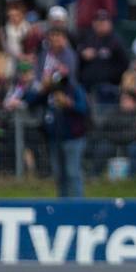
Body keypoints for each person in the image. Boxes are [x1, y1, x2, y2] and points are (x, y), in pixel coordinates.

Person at [8, 41, 90, 197]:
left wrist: (69, 104)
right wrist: (43, 90)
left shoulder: (74, 89)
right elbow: (30, 99)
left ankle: (77, 206)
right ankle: (63, 205)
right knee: (59, 174)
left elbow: (83, 109)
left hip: (73, 137)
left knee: (73, 173)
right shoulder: (49, 91)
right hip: (54, 137)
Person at [78, 11, 129, 105]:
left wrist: (110, 76)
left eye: (103, 21)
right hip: (87, 88)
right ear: (93, 23)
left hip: (109, 89)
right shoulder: (87, 39)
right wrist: (82, 54)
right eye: (98, 21)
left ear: (110, 23)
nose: (100, 24)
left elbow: (125, 64)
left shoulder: (116, 41)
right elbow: (77, 59)